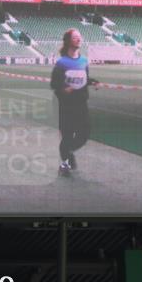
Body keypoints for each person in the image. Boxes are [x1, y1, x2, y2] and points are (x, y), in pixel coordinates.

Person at [50, 28, 99, 176]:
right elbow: (54, 84)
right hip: (66, 106)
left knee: (84, 134)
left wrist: (93, 81)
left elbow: (83, 79)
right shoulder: (61, 63)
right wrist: (64, 89)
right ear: (68, 41)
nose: (79, 39)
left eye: (80, 37)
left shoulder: (84, 61)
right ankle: (64, 164)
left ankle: (68, 152)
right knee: (67, 135)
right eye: (75, 37)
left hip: (81, 104)